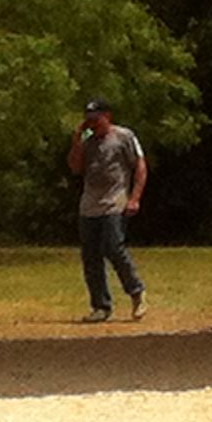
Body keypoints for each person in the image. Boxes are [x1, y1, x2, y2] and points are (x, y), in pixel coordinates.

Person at [66, 98, 148, 321]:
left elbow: (140, 166)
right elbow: (75, 168)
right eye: (89, 120)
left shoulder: (124, 137)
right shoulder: (87, 142)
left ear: (107, 116)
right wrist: (77, 140)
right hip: (90, 205)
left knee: (113, 247)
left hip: (115, 201)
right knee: (90, 256)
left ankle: (136, 291)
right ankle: (101, 305)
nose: (92, 123)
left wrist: (135, 198)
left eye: (96, 118)